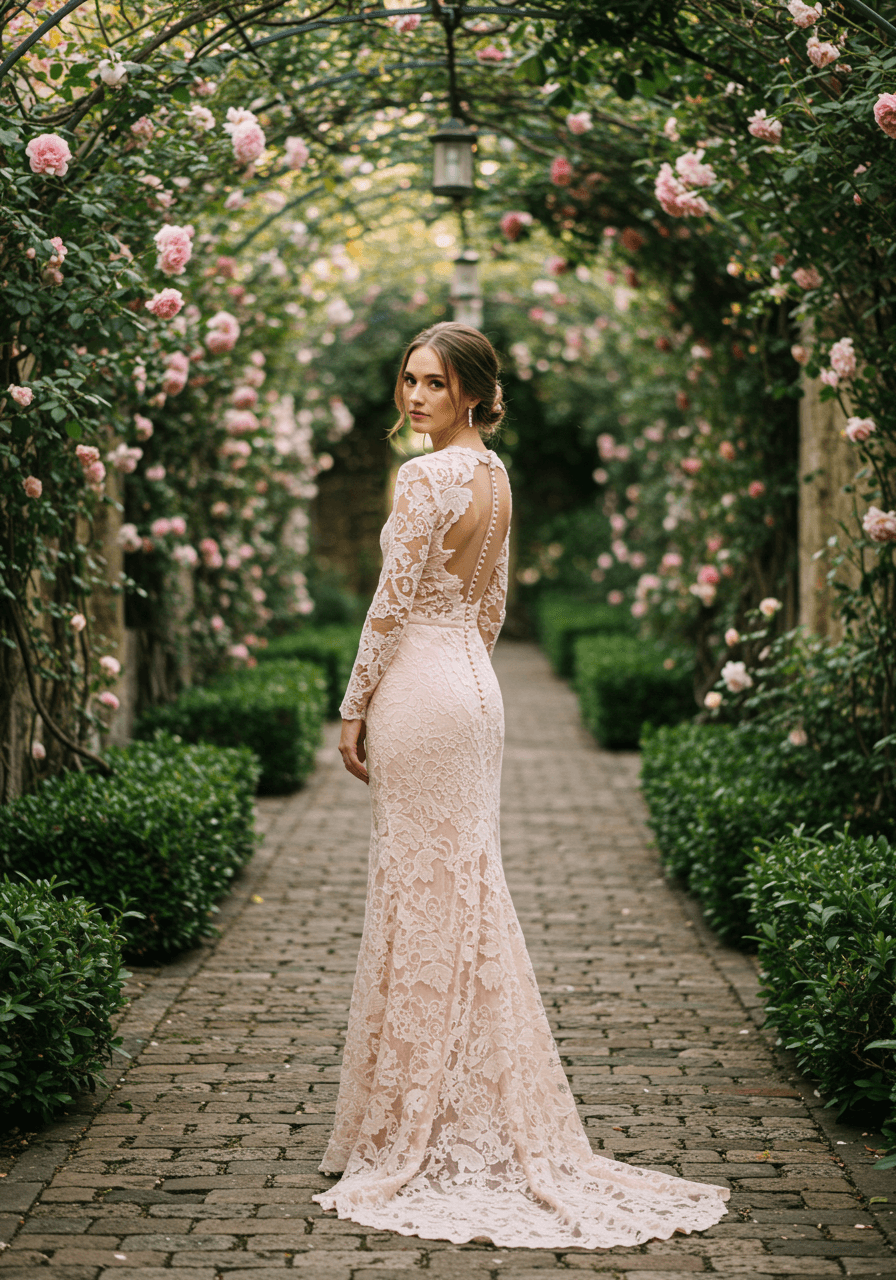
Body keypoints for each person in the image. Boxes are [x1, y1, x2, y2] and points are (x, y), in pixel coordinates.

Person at [312, 322, 729, 1248]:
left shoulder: (426, 479)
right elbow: (490, 603)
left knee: (424, 896)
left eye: (433, 383)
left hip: (421, 685)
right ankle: (434, 1109)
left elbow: (390, 598)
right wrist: (465, 674)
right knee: (463, 890)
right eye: (408, 379)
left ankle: (412, 1124)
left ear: (470, 393)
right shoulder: (496, 476)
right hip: (472, 684)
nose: (413, 396)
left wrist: (355, 705)